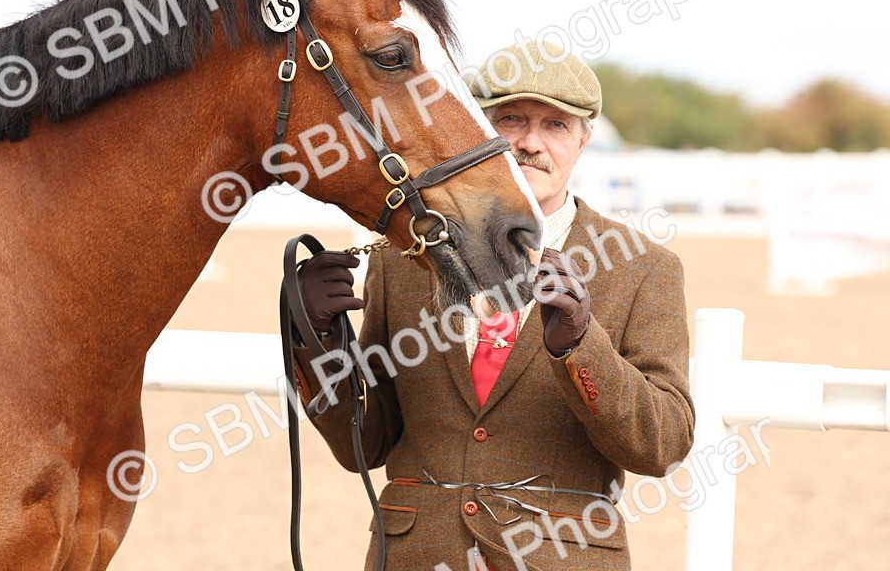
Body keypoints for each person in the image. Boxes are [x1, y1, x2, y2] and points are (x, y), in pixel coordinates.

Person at [290, 41, 694, 570]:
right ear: (476, 127)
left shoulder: (645, 267)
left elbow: (663, 443)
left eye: (556, 126)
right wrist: (319, 342)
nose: (531, 142)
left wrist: (580, 345)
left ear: (584, 138)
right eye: (511, 119)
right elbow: (363, 444)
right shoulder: (401, 258)